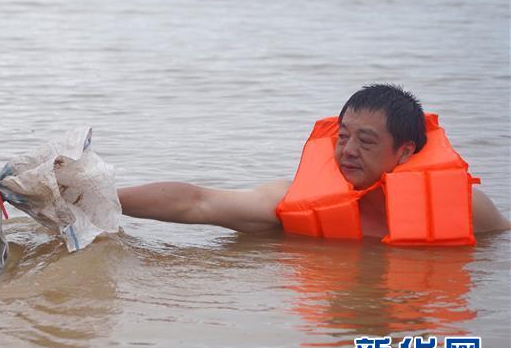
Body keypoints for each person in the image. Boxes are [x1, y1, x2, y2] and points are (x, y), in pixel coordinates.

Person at [119, 84, 509, 244]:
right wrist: (102, 197)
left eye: (366, 140)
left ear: (404, 152)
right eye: (342, 137)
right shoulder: (293, 200)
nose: (348, 150)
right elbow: (198, 202)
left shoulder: (463, 206)